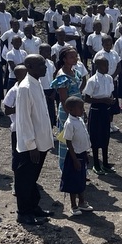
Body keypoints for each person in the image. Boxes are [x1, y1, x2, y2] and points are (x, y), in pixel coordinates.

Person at [14, 55, 56, 223]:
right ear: (30, 66)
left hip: (41, 142)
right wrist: (31, 145)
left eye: (44, 64)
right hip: (31, 145)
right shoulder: (24, 88)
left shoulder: (37, 83)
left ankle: (33, 207)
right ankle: (24, 213)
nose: (45, 67)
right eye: (41, 65)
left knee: (32, 178)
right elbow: (24, 120)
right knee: (25, 178)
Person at [51, 48, 86, 176]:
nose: (75, 59)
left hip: (77, 110)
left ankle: (78, 168)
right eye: (72, 57)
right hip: (68, 112)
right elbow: (63, 98)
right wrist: (72, 115)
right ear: (64, 59)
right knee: (66, 140)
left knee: (77, 138)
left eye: (76, 56)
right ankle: (66, 170)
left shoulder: (74, 72)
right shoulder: (62, 76)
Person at [82, 54, 116, 174]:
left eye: (107, 64)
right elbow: (86, 98)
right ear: (97, 66)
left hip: (106, 110)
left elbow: (110, 92)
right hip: (96, 110)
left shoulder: (109, 78)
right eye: (104, 65)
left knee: (105, 136)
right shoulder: (92, 80)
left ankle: (106, 163)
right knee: (96, 137)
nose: (107, 67)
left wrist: (111, 100)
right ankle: (96, 164)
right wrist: (103, 100)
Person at [60, 96, 93, 216]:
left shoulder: (79, 119)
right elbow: (68, 141)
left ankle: (82, 202)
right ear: (70, 110)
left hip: (82, 154)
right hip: (74, 156)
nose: (82, 110)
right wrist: (75, 160)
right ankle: (73, 205)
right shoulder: (69, 123)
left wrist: (86, 153)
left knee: (81, 179)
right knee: (73, 181)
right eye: (80, 108)